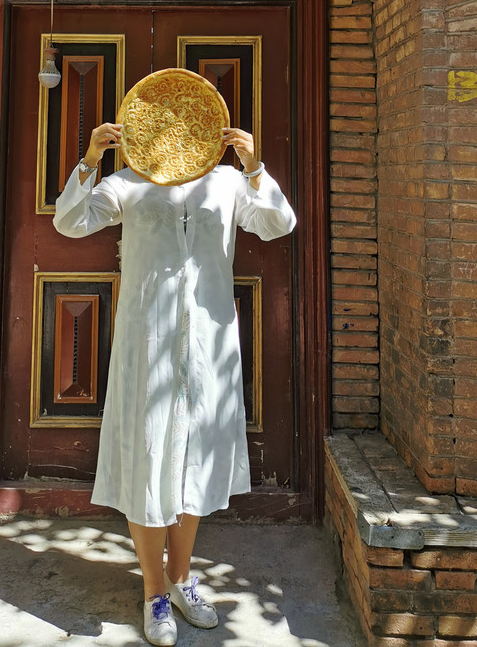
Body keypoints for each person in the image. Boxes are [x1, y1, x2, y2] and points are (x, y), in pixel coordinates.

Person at [53, 120, 296, 645]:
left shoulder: (228, 182)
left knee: (193, 458)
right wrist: (90, 160)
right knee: (150, 456)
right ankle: (153, 593)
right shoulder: (128, 183)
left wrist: (255, 167)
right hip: (149, 344)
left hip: (208, 342)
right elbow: (70, 221)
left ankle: (181, 579)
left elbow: (278, 223)